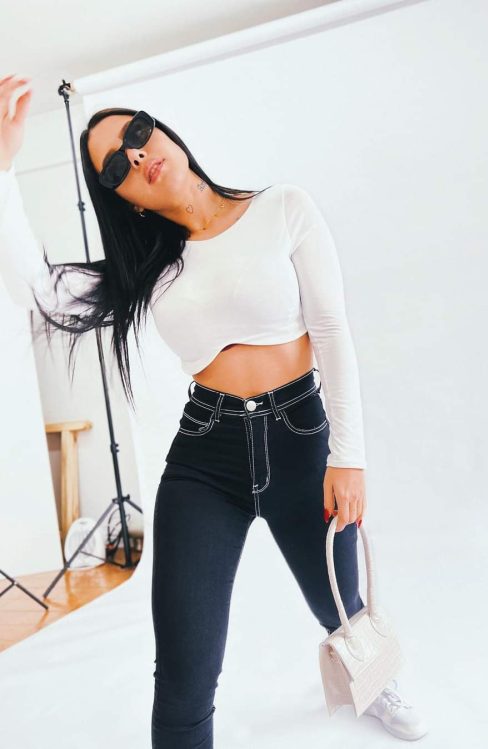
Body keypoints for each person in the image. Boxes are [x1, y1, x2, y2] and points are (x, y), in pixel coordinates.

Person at [0, 73, 428, 746]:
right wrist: (3, 168)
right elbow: (42, 293)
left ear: (163, 132)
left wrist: (349, 457)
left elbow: (331, 331)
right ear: (122, 198)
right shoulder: (149, 269)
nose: (136, 155)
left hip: (301, 440)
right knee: (183, 671)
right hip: (206, 458)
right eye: (115, 167)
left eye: (137, 134)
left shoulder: (282, 208)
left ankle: (373, 683)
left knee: (342, 605)